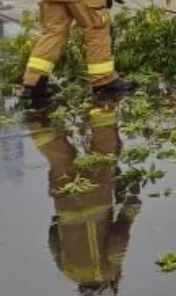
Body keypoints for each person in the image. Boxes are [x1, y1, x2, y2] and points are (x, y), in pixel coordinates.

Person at [26, 103, 140, 295]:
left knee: (103, 155)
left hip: (96, 200)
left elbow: (118, 239)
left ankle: (103, 103)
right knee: (60, 158)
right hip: (64, 204)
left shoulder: (107, 272)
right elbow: (53, 238)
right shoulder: (68, 272)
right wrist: (61, 221)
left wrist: (130, 209)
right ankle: (34, 118)